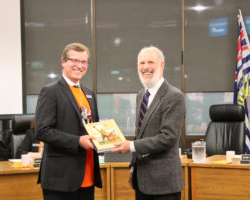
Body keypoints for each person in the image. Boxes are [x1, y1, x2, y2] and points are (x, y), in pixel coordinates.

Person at [112, 46, 186, 200]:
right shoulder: (141, 95)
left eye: (150, 62)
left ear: (162, 65)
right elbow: (140, 134)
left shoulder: (173, 96)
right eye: (142, 63)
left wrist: (131, 146)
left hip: (164, 185)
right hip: (142, 181)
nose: (146, 67)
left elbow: (168, 138)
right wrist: (133, 169)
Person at [35, 43, 102, 200]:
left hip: (88, 175)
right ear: (63, 62)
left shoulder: (89, 93)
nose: (79, 65)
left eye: (84, 61)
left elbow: (93, 127)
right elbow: (42, 130)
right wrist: (77, 141)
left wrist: (107, 139)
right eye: (74, 60)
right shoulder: (50, 91)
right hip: (61, 179)